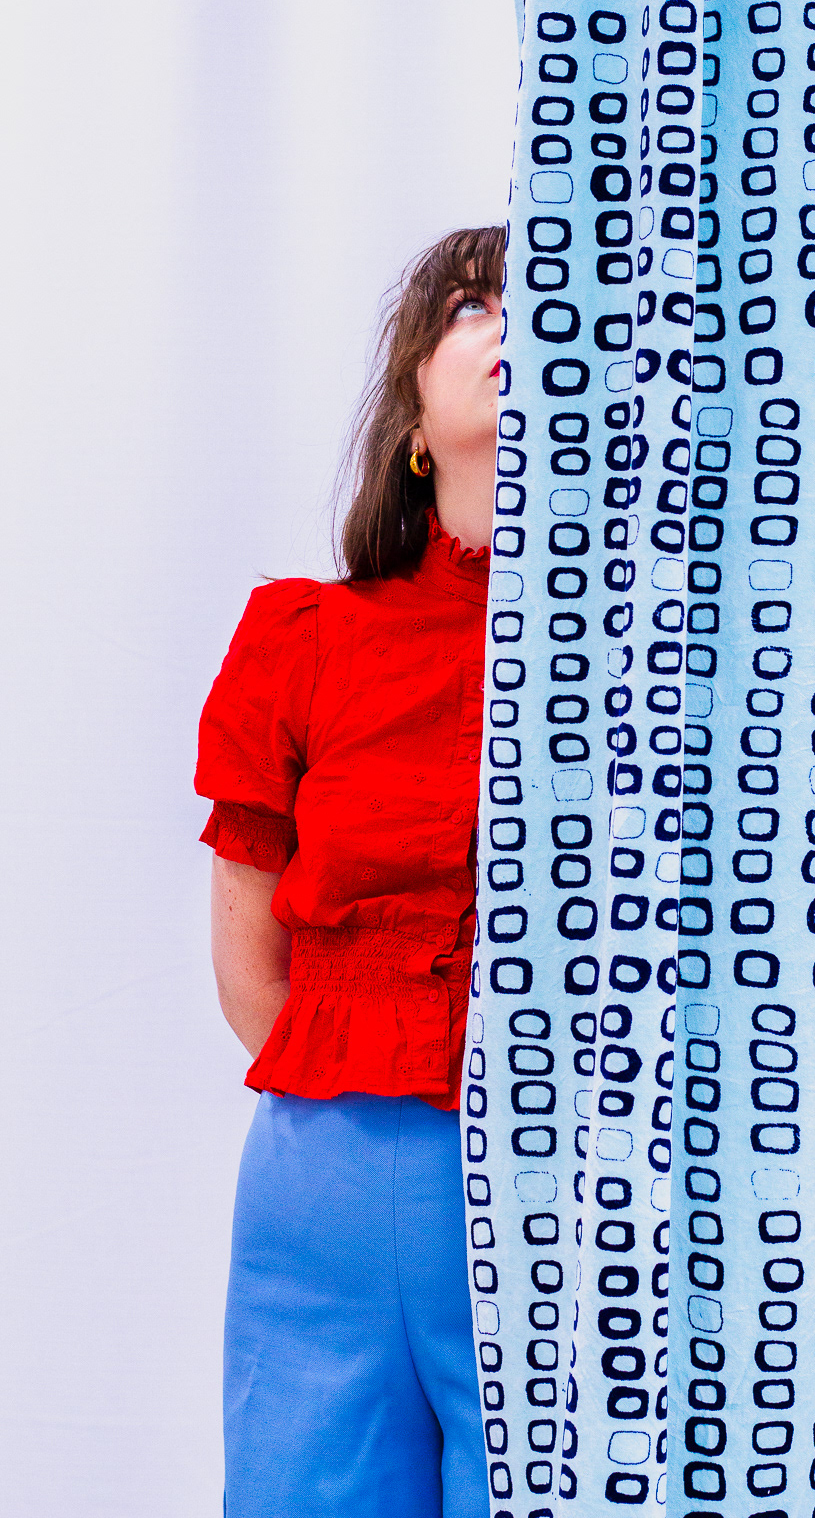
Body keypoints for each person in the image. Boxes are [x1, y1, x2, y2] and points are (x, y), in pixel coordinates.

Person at [194, 226, 503, 1518]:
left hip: (555, 1187)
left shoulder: (656, 671)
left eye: (544, 298)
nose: (511, 323)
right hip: (325, 1181)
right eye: (471, 305)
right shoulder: (303, 638)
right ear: (412, 416)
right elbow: (249, 971)